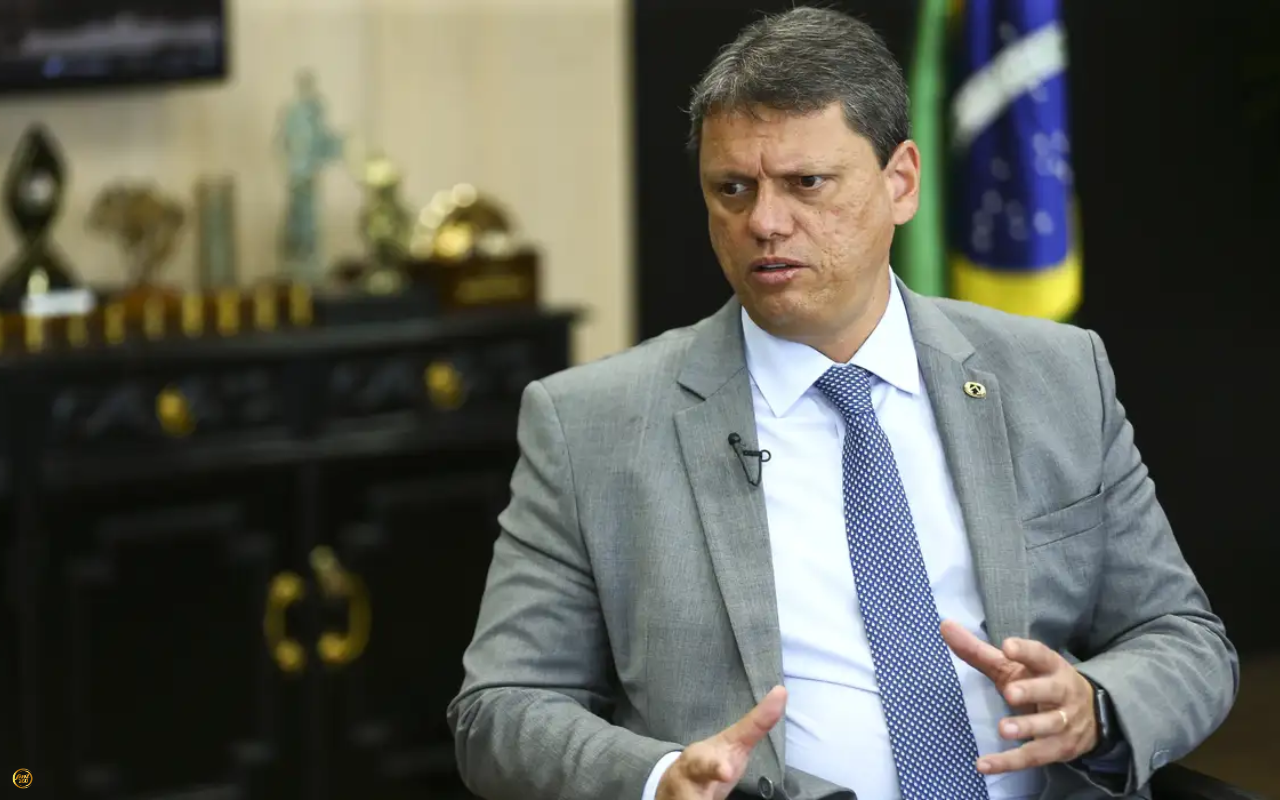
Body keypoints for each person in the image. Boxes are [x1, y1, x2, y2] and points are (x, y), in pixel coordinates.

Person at [447, 7, 1238, 800]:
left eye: (807, 184)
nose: (764, 222)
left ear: (901, 183)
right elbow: (500, 710)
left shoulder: (1055, 375)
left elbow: (1185, 640)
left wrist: (1095, 708)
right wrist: (657, 780)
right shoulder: (589, 426)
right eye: (732, 189)